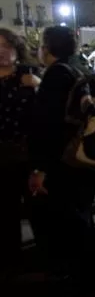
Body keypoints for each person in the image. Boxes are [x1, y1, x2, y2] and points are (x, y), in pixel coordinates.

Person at [28, 26, 95, 285]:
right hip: (87, 155)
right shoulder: (79, 69)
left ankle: (86, 277)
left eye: (41, 45)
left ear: (48, 49)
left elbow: (49, 127)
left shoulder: (56, 75)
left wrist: (40, 169)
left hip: (66, 160)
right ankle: (93, 272)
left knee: (70, 220)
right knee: (82, 216)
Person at [0, 29, 40, 279]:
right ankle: (10, 262)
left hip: (28, 154)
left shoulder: (29, 79)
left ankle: (47, 261)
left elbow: (44, 121)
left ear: (17, 50)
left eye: (7, 45)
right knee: (5, 213)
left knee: (38, 210)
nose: (2, 50)